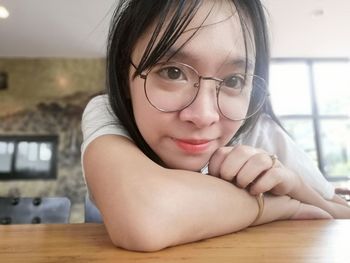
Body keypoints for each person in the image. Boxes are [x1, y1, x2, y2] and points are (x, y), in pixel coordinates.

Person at [81, 0, 350, 252]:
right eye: (173, 72)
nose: (204, 115)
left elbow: (341, 214)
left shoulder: (258, 131)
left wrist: (293, 184)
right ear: (123, 74)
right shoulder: (107, 113)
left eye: (233, 81)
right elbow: (145, 217)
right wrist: (276, 205)